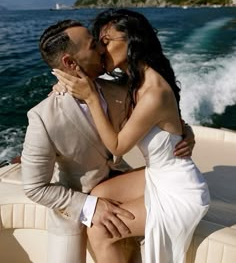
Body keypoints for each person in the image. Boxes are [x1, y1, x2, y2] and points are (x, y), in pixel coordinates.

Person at [21, 19, 194, 263]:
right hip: (79, 205)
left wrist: (185, 132)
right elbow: (34, 187)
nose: (102, 50)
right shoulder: (43, 118)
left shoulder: (117, 89)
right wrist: (91, 206)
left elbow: (160, 109)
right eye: (94, 46)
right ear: (70, 63)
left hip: (125, 186)